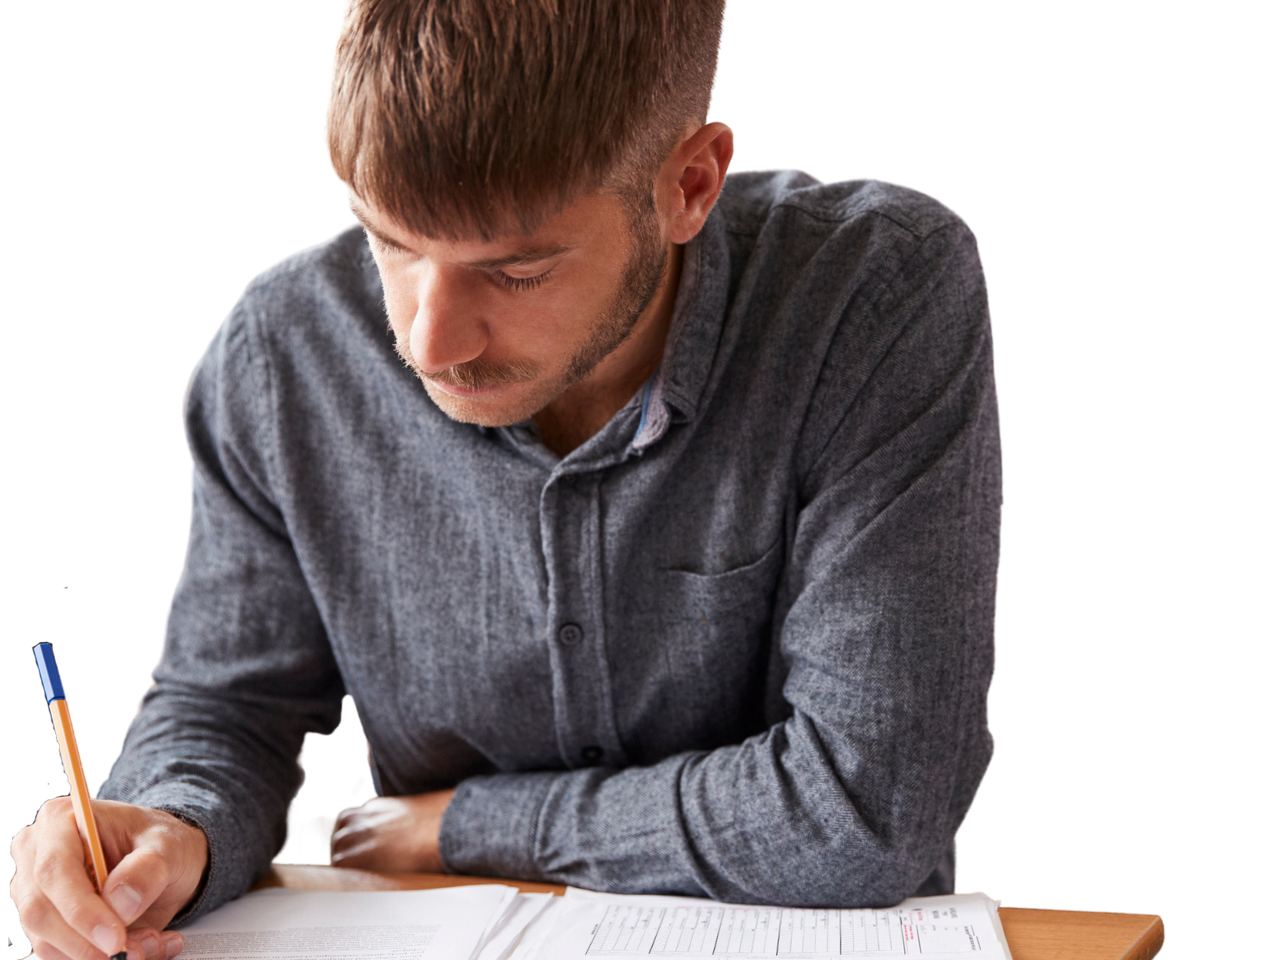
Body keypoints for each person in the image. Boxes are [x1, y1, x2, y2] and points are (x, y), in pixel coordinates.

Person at [10, 1, 1001, 958]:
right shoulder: (284, 355)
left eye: (517, 269)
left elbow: (865, 809)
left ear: (689, 185)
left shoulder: (873, 297)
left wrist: (471, 826)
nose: (428, 341)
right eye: (391, 240)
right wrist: (166, 825)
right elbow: (228, 707)